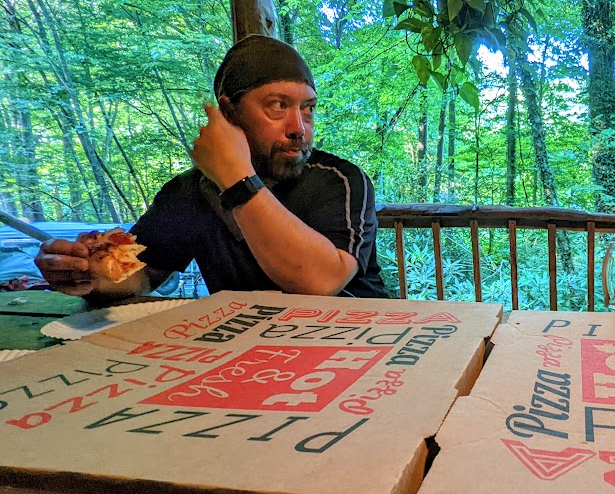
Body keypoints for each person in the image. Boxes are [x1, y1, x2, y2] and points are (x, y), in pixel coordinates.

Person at [36, 35, 387, 301]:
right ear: (230, 113)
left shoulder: (339, 180)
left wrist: (236, 177)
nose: (299, 127)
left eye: (307, 108)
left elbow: (321, 282)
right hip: (255, 356)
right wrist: (89, 275)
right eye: (278, 106)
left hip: (362, 350)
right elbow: (143, 275)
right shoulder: (190, 192)